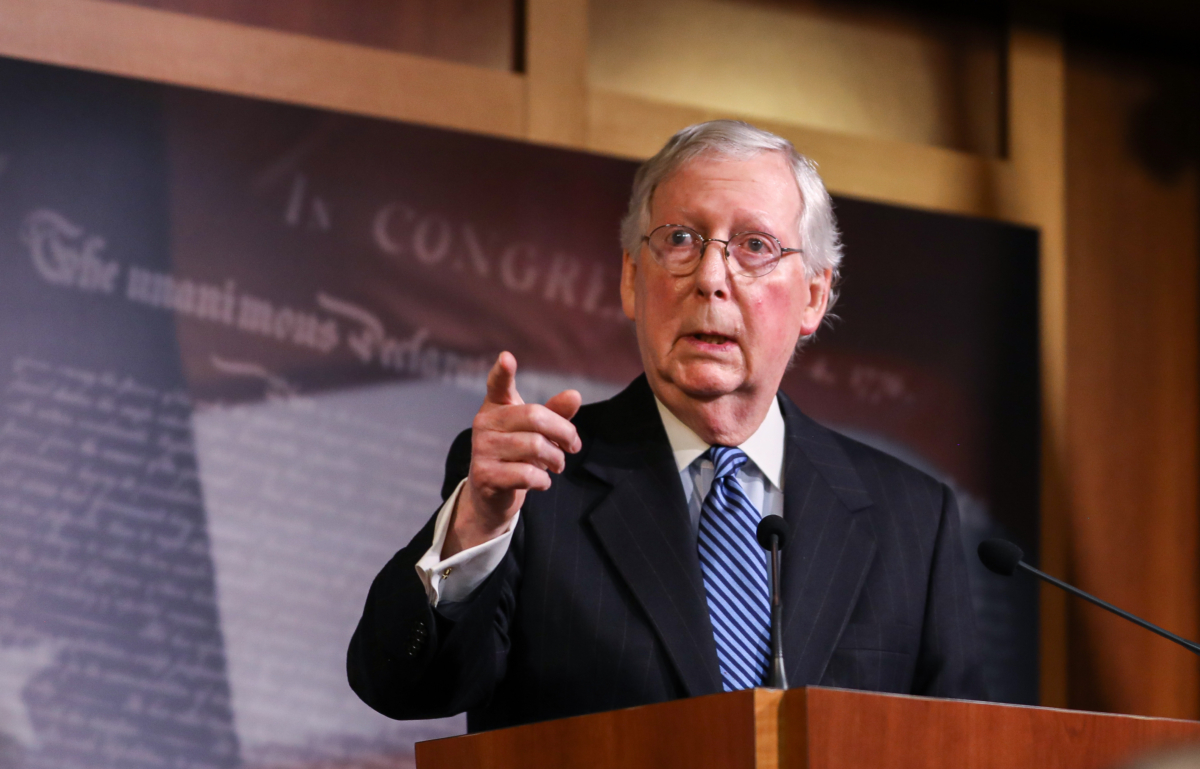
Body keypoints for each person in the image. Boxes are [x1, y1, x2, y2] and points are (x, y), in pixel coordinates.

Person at [347, 120, 987, 732]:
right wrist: (474, 530)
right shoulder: (533, 481)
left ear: (814, 298)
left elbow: (960, 751)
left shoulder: (912, 519)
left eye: (755, 247)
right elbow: (400, 687)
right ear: (631, 278)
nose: (711, 278)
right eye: (680, 240)